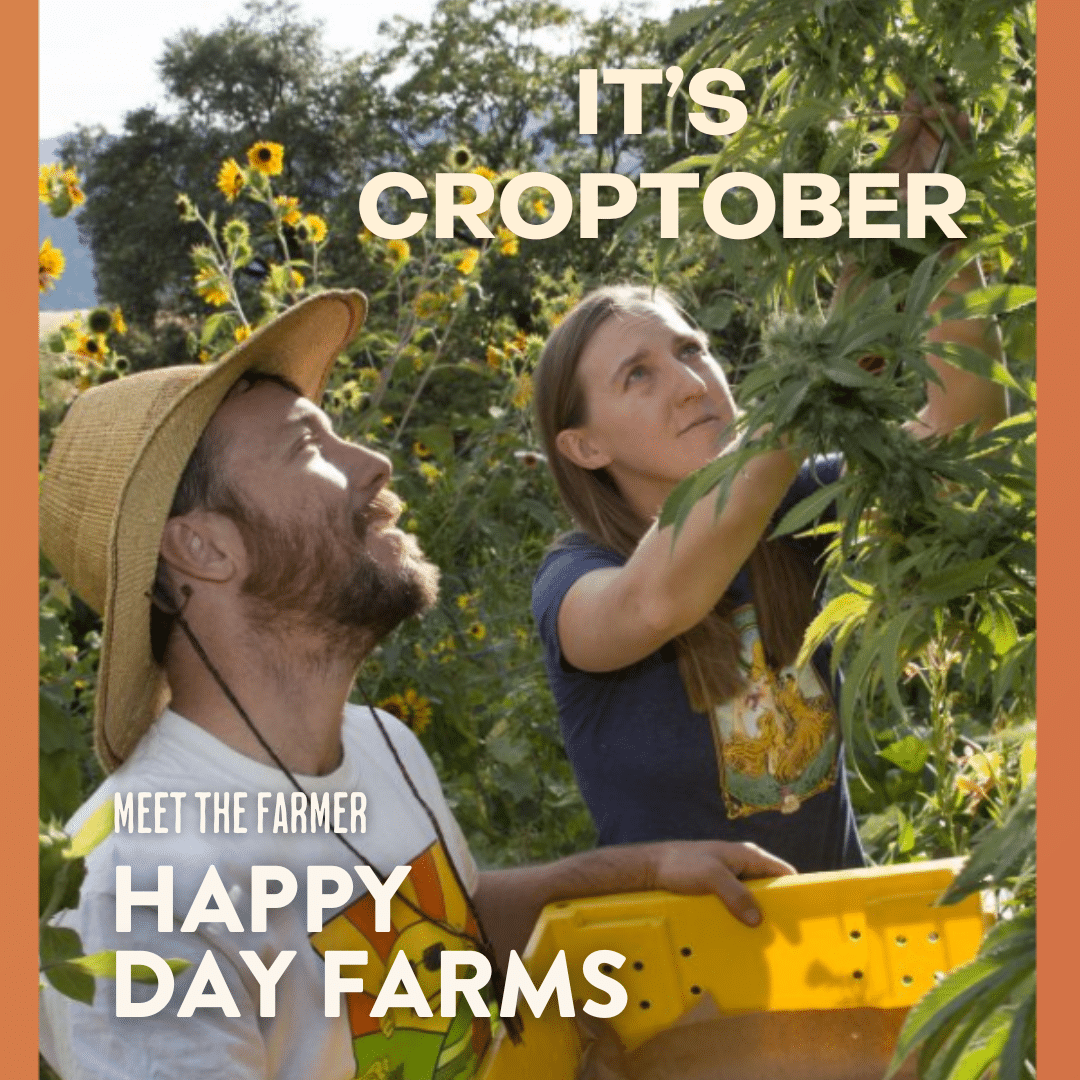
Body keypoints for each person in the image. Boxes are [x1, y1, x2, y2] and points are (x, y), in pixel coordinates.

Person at [38, 291, 793, 1080]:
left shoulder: (377, 742)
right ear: (202, 547)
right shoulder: (138, 891)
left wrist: (636, 873)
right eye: (307, 448)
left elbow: (439, 932)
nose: (374, 463)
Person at [530, 156, 1006, 871]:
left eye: (692, 351)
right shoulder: (575, 580)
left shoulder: (796, 505)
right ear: (585, 445)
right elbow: (656, 602)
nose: (692, 385)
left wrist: (938, 239)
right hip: (684, 969)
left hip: (837, 939)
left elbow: (959, 441)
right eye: (639, 375)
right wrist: (814, 378)